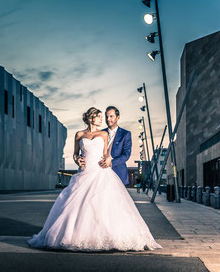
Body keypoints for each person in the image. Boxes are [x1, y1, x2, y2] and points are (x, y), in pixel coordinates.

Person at [26, 107, 162, 251]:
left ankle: (109, 234)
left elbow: (110, 154)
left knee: (105, 206)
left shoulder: (105, 134)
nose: (105, 119)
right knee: (80, 205)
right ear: (91, 118)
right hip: (84, 173)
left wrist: (110, 160)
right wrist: (78, 160)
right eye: (101, 116)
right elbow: (75, 154)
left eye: (109, 116)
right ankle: (77, 234)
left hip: (101, 172)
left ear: (117, 117)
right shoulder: (80, 134)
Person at [98, 106, 131, 186]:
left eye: (111, 116)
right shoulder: (99, 133)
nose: (108, 119)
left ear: (118, 117)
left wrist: (111, 162)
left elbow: (126, 155)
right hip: (100, 172)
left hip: (118, 173)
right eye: (106, 116)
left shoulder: (125, 134)